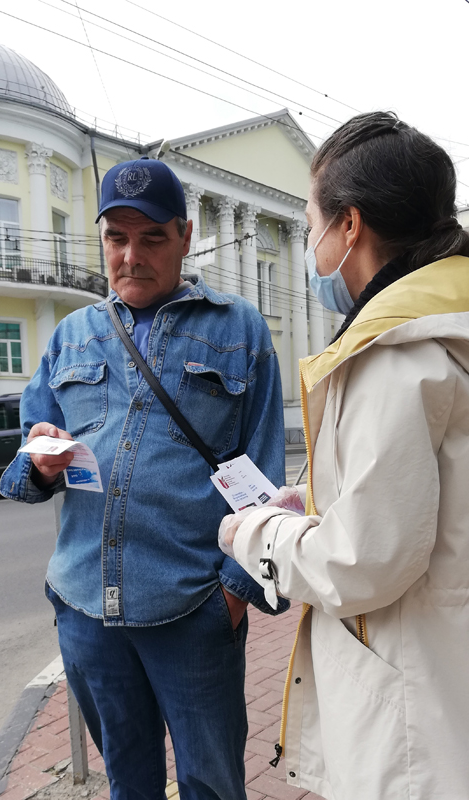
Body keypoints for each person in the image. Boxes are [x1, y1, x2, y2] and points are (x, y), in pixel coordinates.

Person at [0, 157, 288, 800]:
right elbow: (21, 471)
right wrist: (38, 465)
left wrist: (234, 595)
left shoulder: (239, 329)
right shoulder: (71, 336)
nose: (131, 256)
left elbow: (267, 475)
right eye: (117, 238)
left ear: (185, 237)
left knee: (212, 782)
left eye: (152, 237)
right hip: (86, 607)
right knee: (128, 783)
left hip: (194, 610)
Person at [219, 112, 469, 800]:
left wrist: (256, 533)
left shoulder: (396, 357)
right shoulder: (449, 331)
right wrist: (320, 503)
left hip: (418, 726)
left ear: (348, 226)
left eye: (309, 225)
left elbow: (362, 561)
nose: (309, 245)